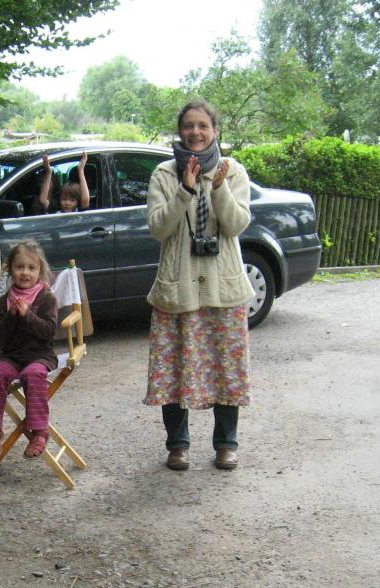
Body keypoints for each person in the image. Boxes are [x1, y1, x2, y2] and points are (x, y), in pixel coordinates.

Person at [143, 99, 255, 471]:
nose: (196, 132)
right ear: (180, 131)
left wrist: (219, 189)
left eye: (203, 125)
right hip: (178, 290)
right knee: (173, 370)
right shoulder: (163, 174)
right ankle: (177, 445)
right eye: (189, 125)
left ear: (215, 131)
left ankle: (226, 444)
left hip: (224, 289)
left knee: (226, 369)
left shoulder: (232, 171)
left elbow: (236, 225)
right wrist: (185, 191)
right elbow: (159, 228)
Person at [0, 240, 58, 460]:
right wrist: (11, 316)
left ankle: (39, 432)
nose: (25, 272)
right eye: (19, 267)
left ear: (40, 271)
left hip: (40, 356)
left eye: (31, 268)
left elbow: (49, 332)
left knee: (32, 374)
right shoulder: (3, 301)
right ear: (10, 270)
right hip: (12, 356)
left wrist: (28, 316)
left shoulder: (46, 298)